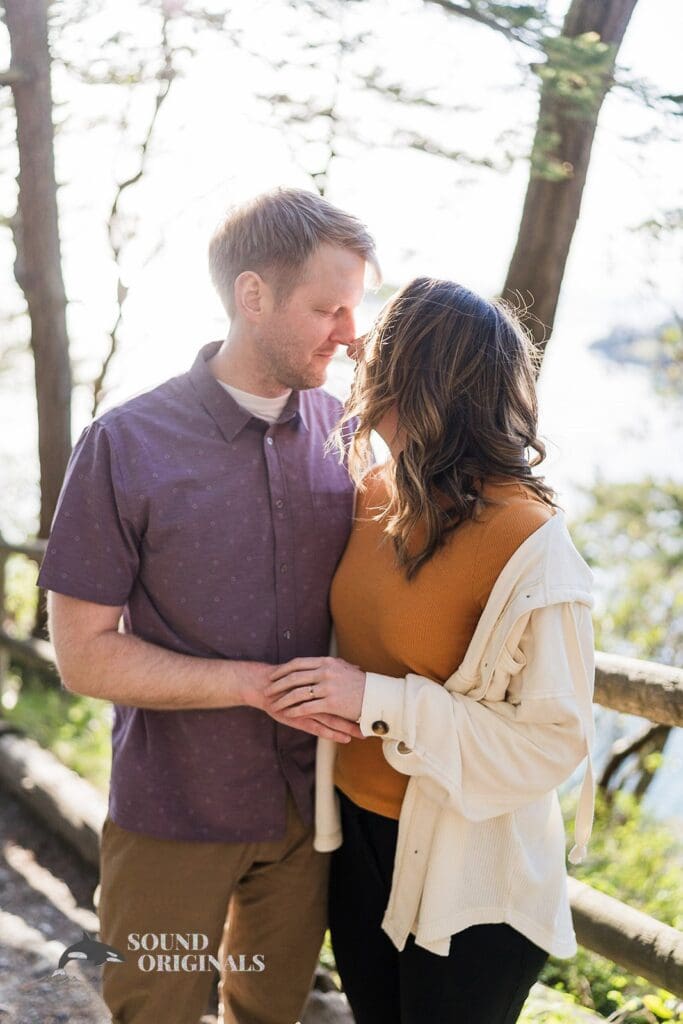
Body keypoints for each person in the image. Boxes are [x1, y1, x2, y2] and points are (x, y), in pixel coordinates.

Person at [37, 187, 378, 1024]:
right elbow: (83, 655)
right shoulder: (125, 443)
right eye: (326, 308)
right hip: (174, 814)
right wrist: (257, 686)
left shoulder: (350, 433)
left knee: (272, 1016)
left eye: (353, 309)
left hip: (312, 818)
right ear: (251, 296)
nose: (349, 333)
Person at [264, 277, 596, 1024]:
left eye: (374, 355)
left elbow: (553, 741)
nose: (357, 365)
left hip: (473, 882)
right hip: (354, 841)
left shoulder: (530, 541)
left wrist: (374, 701)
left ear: (410, 377)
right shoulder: (369, 490)